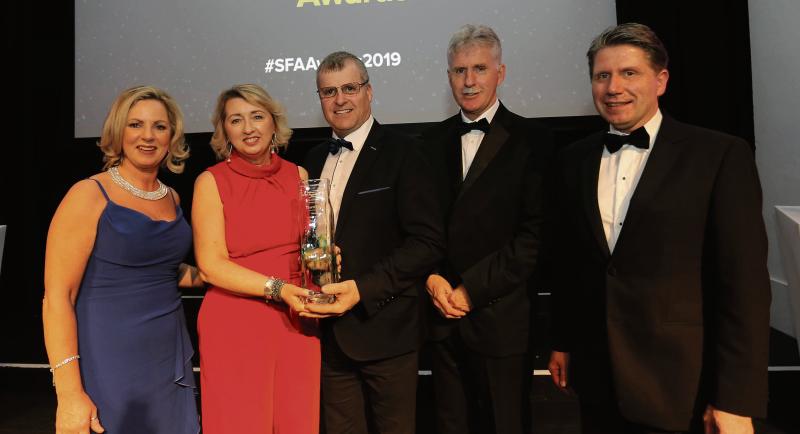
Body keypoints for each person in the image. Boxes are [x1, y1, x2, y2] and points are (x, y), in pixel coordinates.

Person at [547, 23, 770, 434]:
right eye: (602, 76)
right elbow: (570, 264)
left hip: (683, 387)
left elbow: (745, 288)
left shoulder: (719, 155)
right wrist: (563, 340)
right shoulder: (571, 161)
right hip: (598, 380)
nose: (614, 87)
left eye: (629, 73)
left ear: (661, 80)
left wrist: (736, 399)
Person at [43, 85, 201, 434]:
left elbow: (165, 270)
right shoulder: (88, 194)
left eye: (159, 126)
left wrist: (224, 269)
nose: (148, 136)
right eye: (135, 125)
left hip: (167, 355)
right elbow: (57, 298)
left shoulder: (172, 198)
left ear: (172, 134)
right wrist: (68, 394)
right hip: (110, 356)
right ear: (117, 130)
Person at [301, 51, 445, 434]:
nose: (340, 99)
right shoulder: (312, 159)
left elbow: (427, 242)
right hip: (328, 336)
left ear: (369, 91)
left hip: (388, 330)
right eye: (328, 92)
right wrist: (312, 258)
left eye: (349, 88)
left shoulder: (406, 151)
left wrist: (361, 290)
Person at [420, 24, 554, 434]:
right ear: (448, 77)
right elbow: (420, 226)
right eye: (459, 70)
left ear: (501, 72)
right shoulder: (426, 142)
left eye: (479, 68)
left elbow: (534, 239)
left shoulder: (536, 140)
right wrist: (433, 279)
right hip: (441, 319)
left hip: (503, 320)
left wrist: (470, 290)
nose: (469, 80)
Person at [191, 83, 321, 434]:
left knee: (297, 421)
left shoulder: (299, 175)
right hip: (235, 321)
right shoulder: (210, 182)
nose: (248, 128)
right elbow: (210, 264)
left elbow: (309, 245)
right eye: (236, 119)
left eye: (257, 116)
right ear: (225, 130)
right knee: (240, 422)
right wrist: (277, 288)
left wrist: (323, 257)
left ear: (273, 123)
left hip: (297, 319)